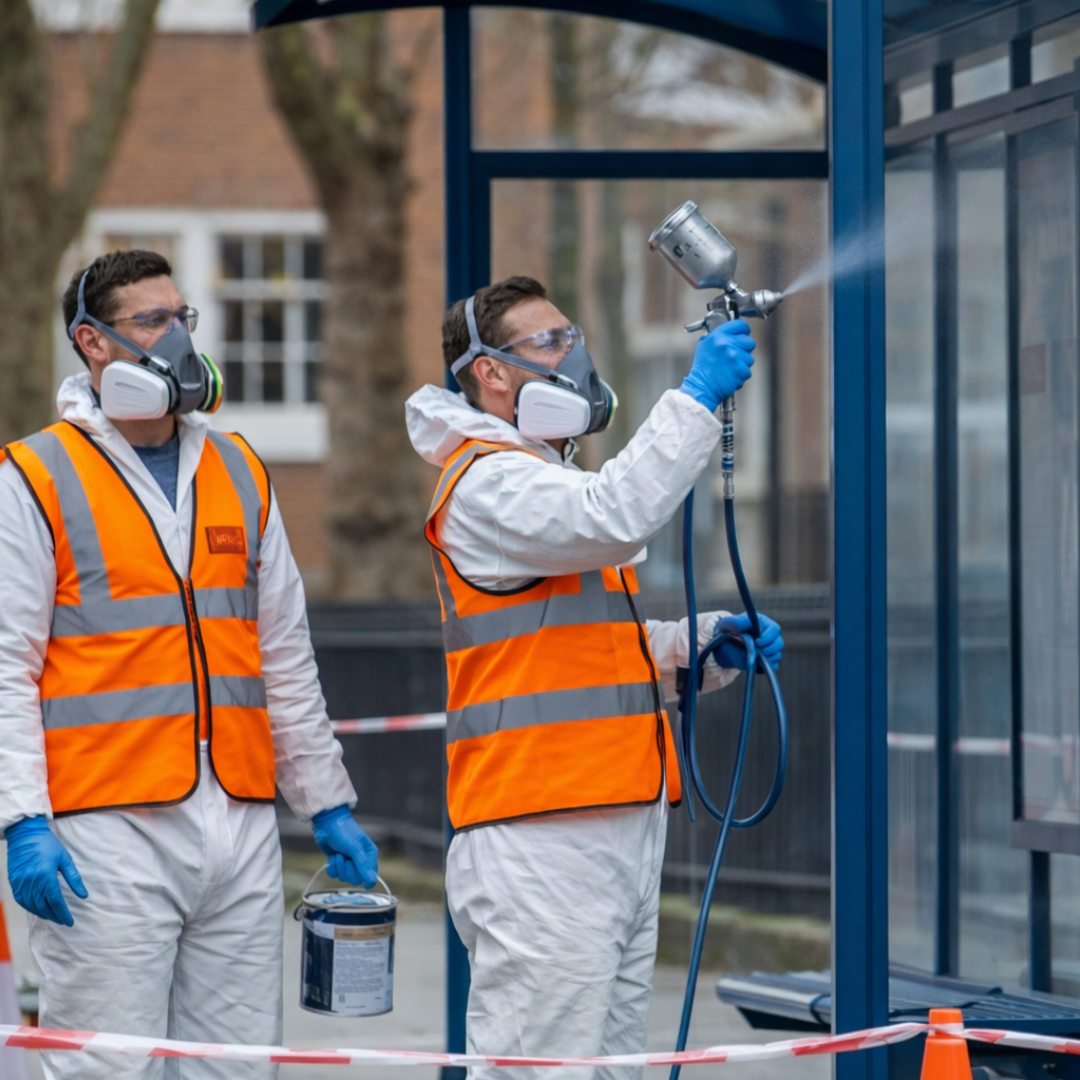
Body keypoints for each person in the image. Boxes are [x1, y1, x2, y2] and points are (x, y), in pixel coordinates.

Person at [0, 250, 378, 1080]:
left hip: (239, 823)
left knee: (234, 1067)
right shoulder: (35, 476)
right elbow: (6, 667)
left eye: (183, 320)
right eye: (152, 322)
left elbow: (283, 655)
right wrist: (23, 820)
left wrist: (326, 802)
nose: (176, 338)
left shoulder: (238, 468)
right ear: (92, 344)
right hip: (106, 828)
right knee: (108, 1066)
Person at [405, 275, 785, 1079]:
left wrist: (697, 649)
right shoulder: (487, 480)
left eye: (571, 335)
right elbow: (614, 516)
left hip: (605, 822)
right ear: (491, 373)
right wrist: (693, 397)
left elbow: (585, 652)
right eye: (549, 343)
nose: (573, 355)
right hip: (540, 834)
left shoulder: (537, 475)